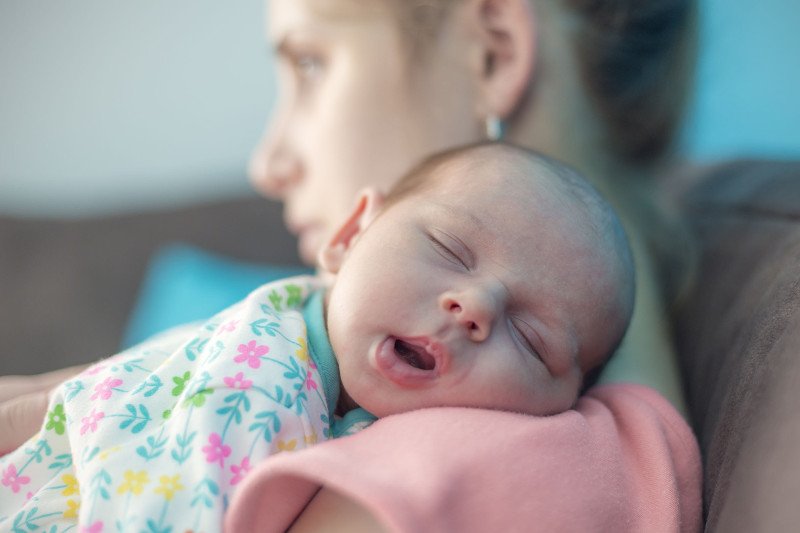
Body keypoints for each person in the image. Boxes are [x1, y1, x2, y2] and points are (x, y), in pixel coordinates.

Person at [0, 0, 700, 530]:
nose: (267, 163)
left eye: (310, 62)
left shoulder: (525, 458)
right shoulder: (323, 344)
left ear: (491, 52)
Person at [0, 143, 638, 530]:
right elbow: (67, 398)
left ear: (561, 404)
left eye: (532, 340)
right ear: (349, 234)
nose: (473, 306)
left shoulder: (407, 464)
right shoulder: (265, 327)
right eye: (449, 248)